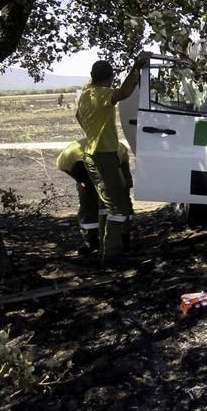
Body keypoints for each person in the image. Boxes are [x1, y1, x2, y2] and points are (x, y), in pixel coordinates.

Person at [76, 54, 148, 263]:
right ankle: (112, 253)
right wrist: (136, 67)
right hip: (103, 157)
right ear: (109, 77)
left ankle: (103, 247)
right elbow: (124, 92)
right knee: (117, 207)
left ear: (92, 75)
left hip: (93, 153)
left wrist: (93, 133)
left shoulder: (86, 94)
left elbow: (78, 117)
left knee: (106, 204)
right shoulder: (100, 94)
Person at [56, 138, 134, 258]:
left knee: (120, 198)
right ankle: (92, 240)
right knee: (88, 201)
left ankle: (124, 234)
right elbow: (75, 174)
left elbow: (114, 186)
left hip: (114, 161)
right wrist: (81, 181)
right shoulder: (66, 160)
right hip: (85, 164)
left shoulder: (115, 153)